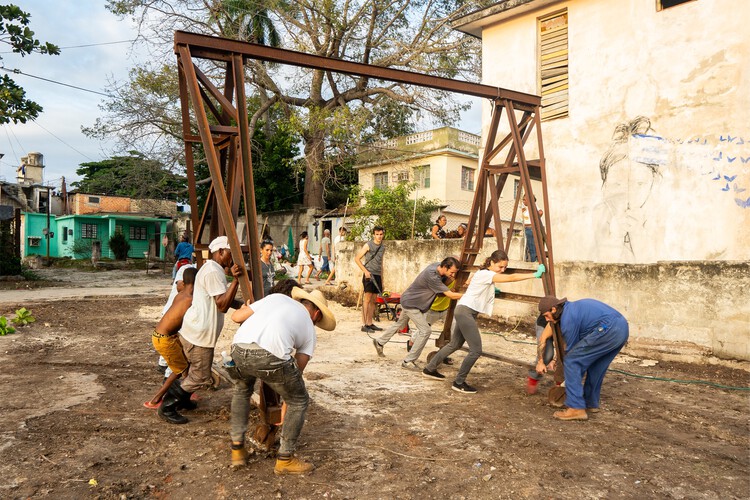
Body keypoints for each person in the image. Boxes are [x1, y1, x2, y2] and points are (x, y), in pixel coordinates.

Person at [228, 286, 336, 475]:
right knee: (299, 400)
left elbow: (236, 317)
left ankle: (237, 449)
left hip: (237, 349)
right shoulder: (310, 330)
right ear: (317, 314)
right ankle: (285, 459)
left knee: (242, 390)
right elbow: (296, 377)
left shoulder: (275, 298)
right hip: (271, 356)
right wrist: (285, 410)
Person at [422, 250, 545, 393]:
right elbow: (511, 278)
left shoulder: (483, 274)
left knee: (455, 344)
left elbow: (477, 288)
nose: (503, 270)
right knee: (475, 350)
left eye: (505, 267)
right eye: (500, 267)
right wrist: (534, 274)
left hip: (464, 310)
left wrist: (491, 291)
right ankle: (459, 382)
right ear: (491, 263)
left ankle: (429, 369)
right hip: (466, 312)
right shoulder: (487, 274)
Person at [536, 295, 629, 421]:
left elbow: (572, 353)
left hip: (607, 329)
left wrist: (566, 381)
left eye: (546, 316)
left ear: (553, 309)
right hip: (622, 328)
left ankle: (576, 408)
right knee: (596, 365)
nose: (547, 320)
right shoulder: (572, 309)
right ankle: (590, 403)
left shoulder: (568, 319)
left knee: (572, 361)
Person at [176, 236, 242, 410]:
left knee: (194, 373)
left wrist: (245, 306)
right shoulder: (213, 271)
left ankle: (181, 401)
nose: (233, 258)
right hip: (199, 334)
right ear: (220, 252)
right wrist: (236, 281)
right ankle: (168, 406)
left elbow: (221, 298)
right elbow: (222, 305)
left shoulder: (213, 268)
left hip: (197, 330)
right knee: (200, 376)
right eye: (231, 253)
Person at [371, 257, 463, 370]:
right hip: (412, 304)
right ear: (444, 267)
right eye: (452, 272)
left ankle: (379, 342)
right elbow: (451, 295)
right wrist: (470, 295)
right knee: (425, 331)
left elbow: (441, 292)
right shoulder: (433, 276)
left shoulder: (437, 266)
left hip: (409, 300)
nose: (453, 275)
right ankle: (408, 361)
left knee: (400, 325)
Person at [150, 267, 198, 424]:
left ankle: (183, 400)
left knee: (185, 367)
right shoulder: (190, 300)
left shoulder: (181, 294)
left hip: (161, 335)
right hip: (165, 339)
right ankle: (159, 399)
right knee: (180, 370)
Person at [354, 226, 386, 333]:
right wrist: (365, 271)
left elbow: (381, 263)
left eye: (381, 234)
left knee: (374, 300)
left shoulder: (382, 247)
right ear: (373, 235)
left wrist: (382, 279)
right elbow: (357, 259)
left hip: (377, 275)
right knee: (367, 299)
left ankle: (369, 323)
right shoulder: (368, 245)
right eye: (377, 234)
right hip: (369, 275)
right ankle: (364, 324)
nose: (379, 236)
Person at [522, 196, 543, 262]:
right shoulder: (526, 208)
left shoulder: (533, 206)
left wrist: (535, 217)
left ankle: (534, 261)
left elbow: (540, 212)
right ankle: (532, 260)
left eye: (525, 200)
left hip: (530, 228)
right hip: (526, 228)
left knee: (532, 246)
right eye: (523, 199)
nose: (523, 201)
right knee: (528, 246)